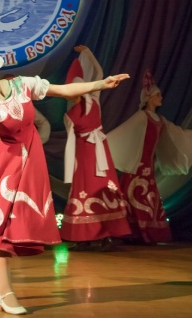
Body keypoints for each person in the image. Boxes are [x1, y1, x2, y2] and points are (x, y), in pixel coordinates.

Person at [0, 40, 130, 315]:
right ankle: (5, 293)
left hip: (28, 163)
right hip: (1, 168)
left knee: (9, 228)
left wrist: (100, 84)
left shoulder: (22, 85)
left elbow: (63, 90)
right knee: (0, 229)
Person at [107, 70, 192, 245]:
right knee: (134, 195)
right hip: (137, 166)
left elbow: (178, 133)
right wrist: (102, 142)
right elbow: (123, 132)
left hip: (148, 167)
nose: (161, 97)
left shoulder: (159, 120)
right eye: (158, 95)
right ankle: (134, 232)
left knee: (146, 197)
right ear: (149, 98)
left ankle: (145, 233)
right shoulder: (141, 117)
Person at [60, 45, 131, 252]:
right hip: (83, 153)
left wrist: (88, 53)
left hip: (98, 151)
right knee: (83, 188)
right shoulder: (70, 112)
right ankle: (83, 236)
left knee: (101, 186)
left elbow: (99, 74)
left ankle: (106, 234)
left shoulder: (94, 99)